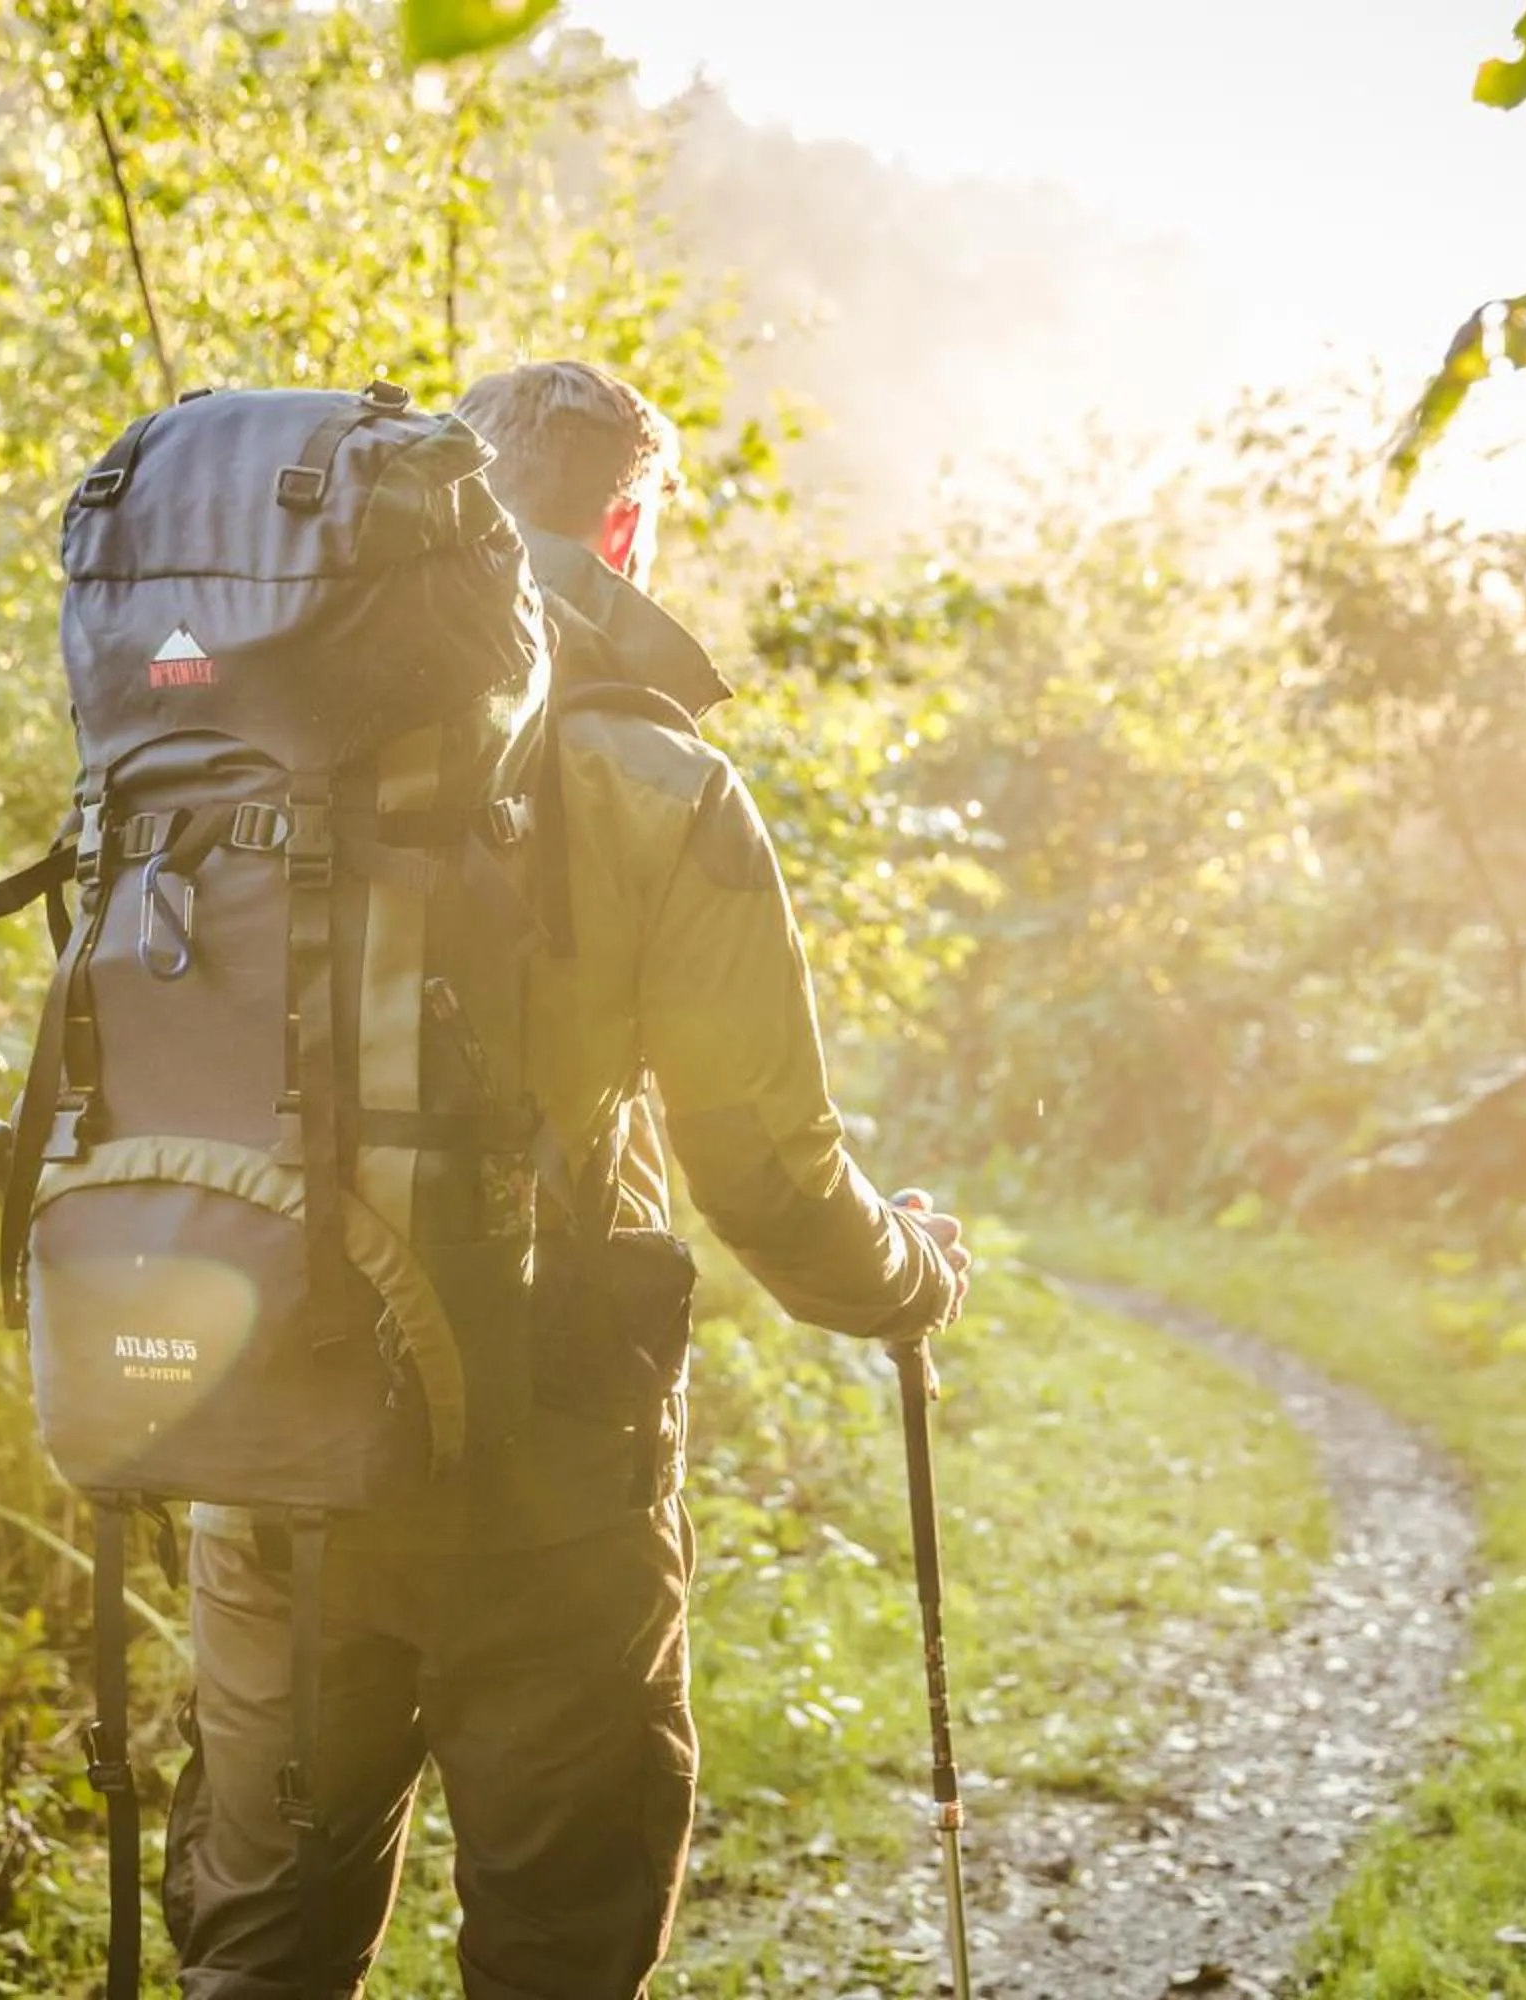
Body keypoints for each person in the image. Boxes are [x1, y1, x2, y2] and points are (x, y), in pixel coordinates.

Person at [163, 359, 975, 1999]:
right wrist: (914, 1274)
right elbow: (772, 1179)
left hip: (263, 1440)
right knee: (556, 1942)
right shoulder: (655, 781)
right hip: (541, 1475)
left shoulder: (246, 727)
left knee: (257, 1954)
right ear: (624, 522)